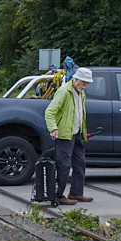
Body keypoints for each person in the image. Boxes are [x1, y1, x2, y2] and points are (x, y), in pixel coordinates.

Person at [45, 66, 95, 205]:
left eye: (87, 83)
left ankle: (76, 193)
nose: (85, 86)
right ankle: (59, 195)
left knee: (80, 163)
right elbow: (50, 112)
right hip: (65, 134)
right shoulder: (64, 92)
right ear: (76, 79)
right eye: (83, 83)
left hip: (77, 133)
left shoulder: (80, 92)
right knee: (64, 165)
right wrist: (53, 128)